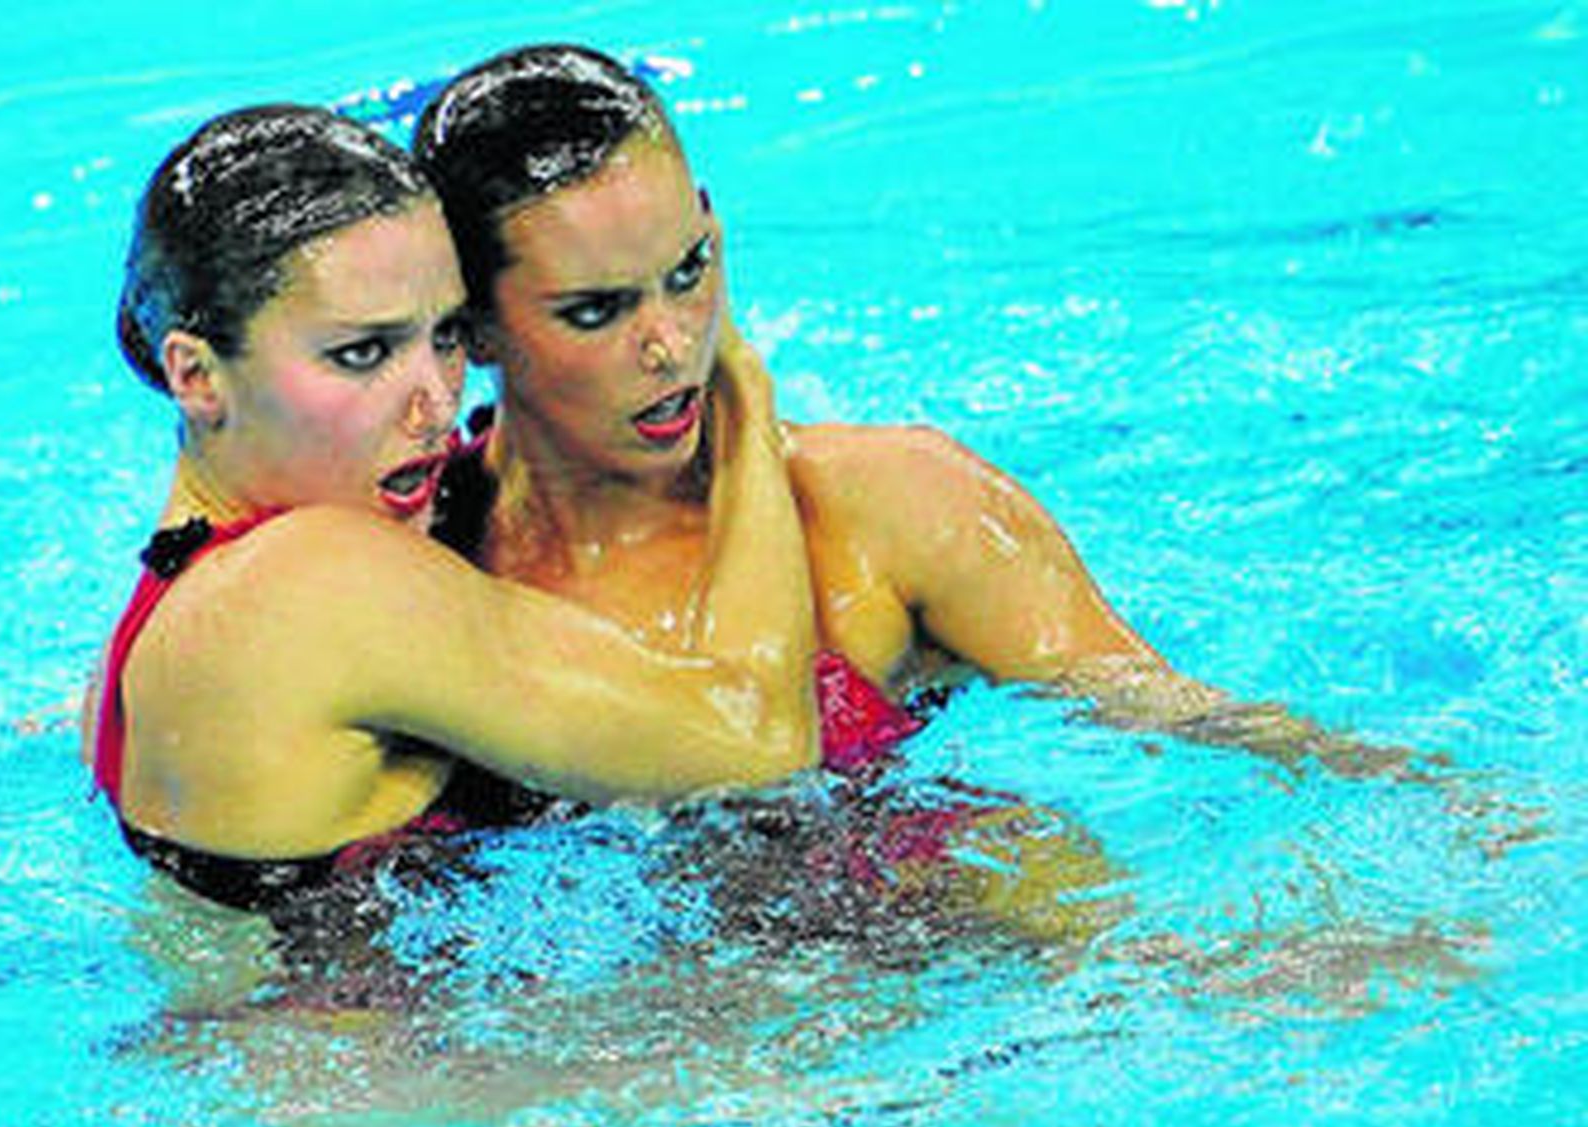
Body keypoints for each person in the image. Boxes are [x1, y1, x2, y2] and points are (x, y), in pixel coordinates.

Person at [413, 44, 1417, 785]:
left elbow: (1172, 714)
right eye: (597, 311)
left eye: (689, 271)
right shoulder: (404, 564)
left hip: (922, 979)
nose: (672, 341)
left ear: (713, 225)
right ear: (475, 331)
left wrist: (1410, 788)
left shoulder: (889, 510)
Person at [84, 104, 821, 912]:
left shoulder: (133, 649)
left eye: (445, 336)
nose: (435, 403)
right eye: (361, 353)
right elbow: (760, 741)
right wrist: (742, 397)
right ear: (194, 375)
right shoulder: (317, 581)